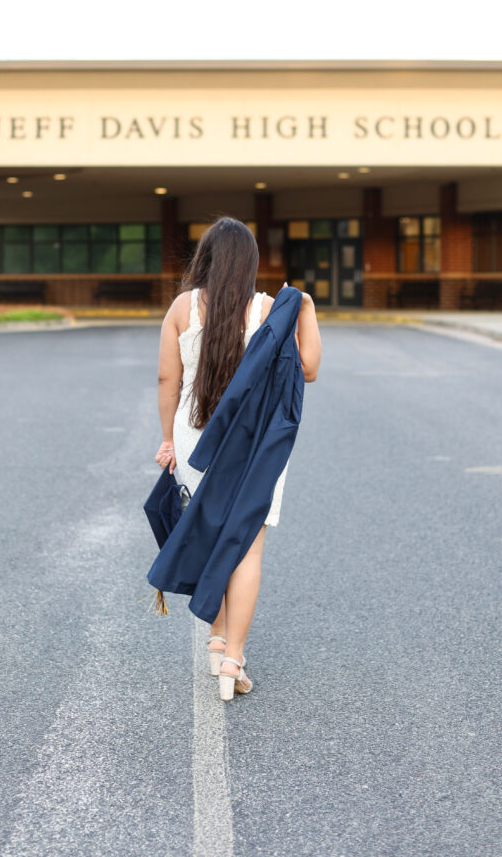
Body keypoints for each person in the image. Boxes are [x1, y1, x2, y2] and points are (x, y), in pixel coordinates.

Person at [154, 216, 321, 698]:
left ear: (204, 258)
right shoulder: (272, 308)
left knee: (207, 533)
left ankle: (214, 639)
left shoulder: (183, 307)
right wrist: (305, 306)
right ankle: (232, 660)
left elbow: (168, 380)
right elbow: (308, 369)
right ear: (251, 262)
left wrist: (167, 439)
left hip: (194, 439)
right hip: (254, 441)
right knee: (246, 546)